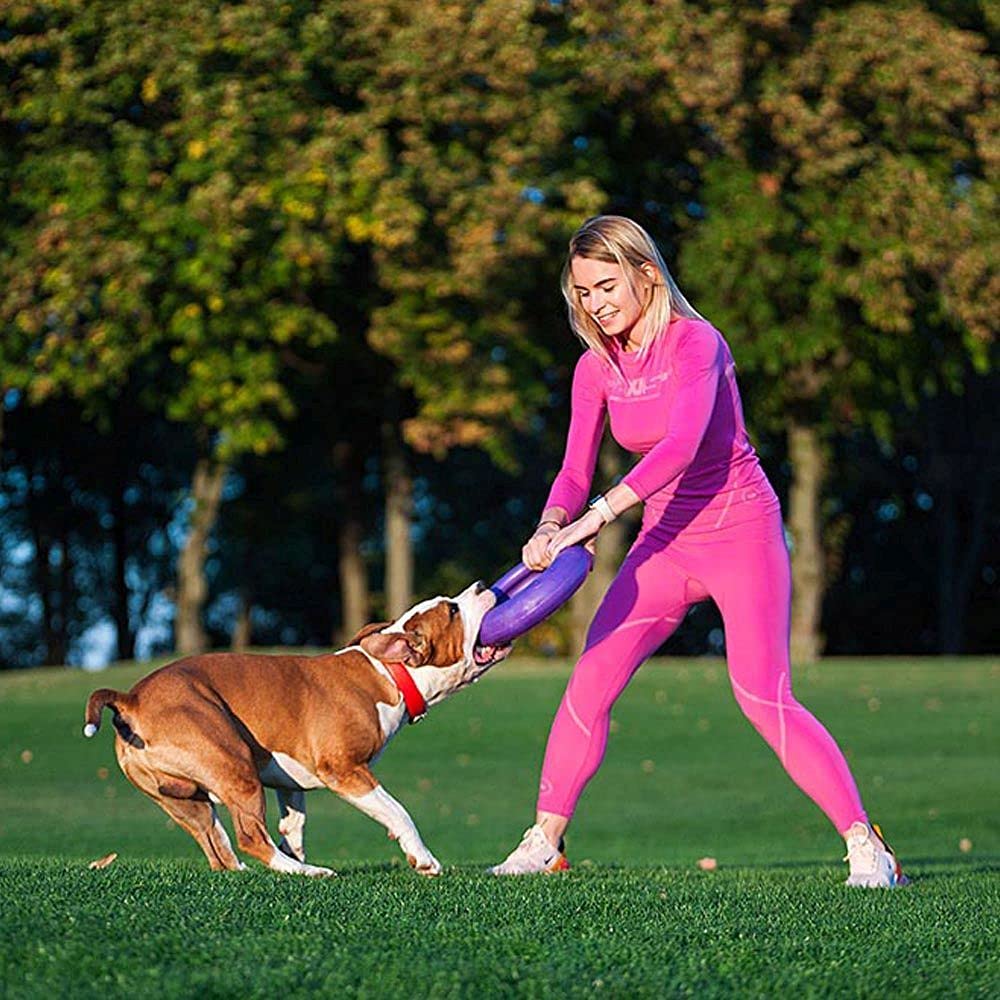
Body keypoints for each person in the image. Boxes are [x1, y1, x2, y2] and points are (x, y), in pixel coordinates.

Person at [489, 215, 905, 887]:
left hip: (741, 533)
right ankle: (545, 841)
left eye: (605, 285)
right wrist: (553, 521)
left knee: (761, 696)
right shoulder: (596, 368)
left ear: (646, 273)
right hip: (664, 543)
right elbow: (573, 468)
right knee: (588, 683)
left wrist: (599, 516)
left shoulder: (696, 343)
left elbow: (682, 445)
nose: (594, 303)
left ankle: (866, 844)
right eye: (581, 292)